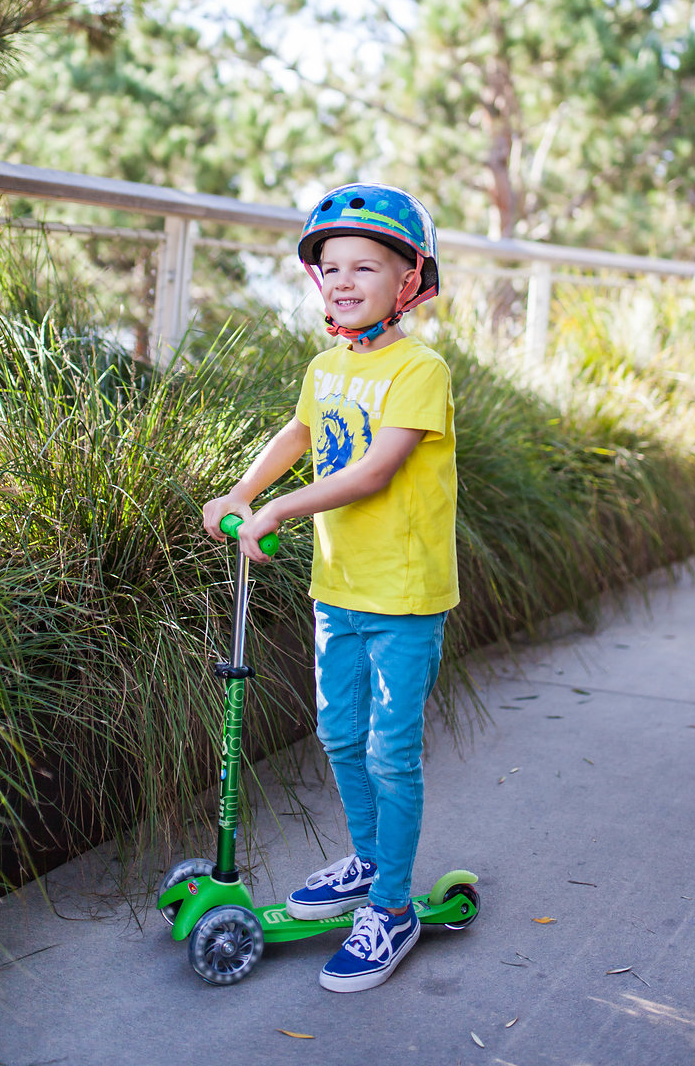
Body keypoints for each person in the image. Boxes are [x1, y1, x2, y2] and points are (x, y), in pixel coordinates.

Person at [203, 183, 458, 994]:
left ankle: (391, 905)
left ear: (408, 281)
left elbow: (376, 470)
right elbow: (300, 433)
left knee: (391, 751)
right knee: (340, 735)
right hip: (338, 588)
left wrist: (279, 506)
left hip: (405, 598)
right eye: (332, 268)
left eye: (366, 267)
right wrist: (243, 492)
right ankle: (366, 858)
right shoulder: (325, 366)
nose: (344, 281)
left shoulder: (421, 370)